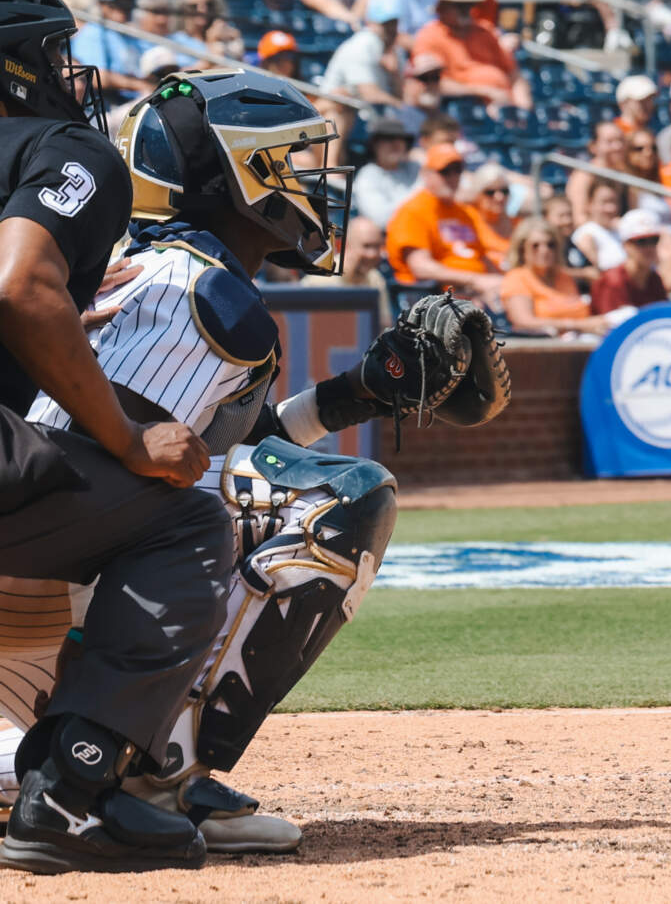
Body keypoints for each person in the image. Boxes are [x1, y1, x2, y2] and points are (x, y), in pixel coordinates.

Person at [2, 70, 507, 859]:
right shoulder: (193, 286)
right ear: (242, 172)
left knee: (246, 491)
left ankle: (82, 755)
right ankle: (142, 773)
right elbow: (103, 455)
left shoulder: (178, 271)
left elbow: (189, 449)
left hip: (33, 574)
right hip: (33, 589)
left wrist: (352, 395)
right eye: (294, 160)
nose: (312, 182)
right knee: (341, 500)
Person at [0, 0, 234, 872]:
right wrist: (131, 439)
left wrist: (55, 302)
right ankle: (67, 792)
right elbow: (20, 284)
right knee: (186, 518)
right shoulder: (69, 148)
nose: (69, 72)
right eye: (54, 54)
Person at [382, 143, 502, 306]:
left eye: (457, 170)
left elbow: (482, 258)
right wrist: (475, 280)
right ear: (426, 174)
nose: (452, 177)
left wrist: (500, 282)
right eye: (445, 171)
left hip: (475, 294)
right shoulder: (413, 211)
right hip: (432, 299)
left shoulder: (466, 212)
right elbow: (421, 267)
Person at [410, 0, 530, 110]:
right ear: (443, 8)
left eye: (468, 5)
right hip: (467, 107)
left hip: (506, 104)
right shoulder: (429, 36)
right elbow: (429, 84)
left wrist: (523, 106)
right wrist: (484, 92)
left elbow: (514, 73)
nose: (465, 10)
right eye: (459, 5)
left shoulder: (485, 31)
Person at [500, 216, 594, 335]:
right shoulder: (516, 278)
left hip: (582, 340)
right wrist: (577, 325)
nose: (544, 250)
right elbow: (524, 322)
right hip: (543, 344)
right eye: (535, 245)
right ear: (522, 249)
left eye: (550, 245)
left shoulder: (564, 277)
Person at [68, 0, 149, 93]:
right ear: (102, 4)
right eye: (118, 1)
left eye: (129, 0)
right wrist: (138, 85)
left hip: (137, 97)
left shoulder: (131, 33)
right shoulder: (93, 32)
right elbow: (96, 77)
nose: (125, 6)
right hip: (111, 100)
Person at [590, 209, 670, 312]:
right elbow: (610, 321)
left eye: (654, 240)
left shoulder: (654, 279)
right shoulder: (613, 281)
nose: (649, 247)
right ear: (626, 246)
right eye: (641, 241)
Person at [348, 115, 421, 227]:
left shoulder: (416, 168)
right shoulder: (368, 175)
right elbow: (381, 219)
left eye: (401, 139)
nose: (396, 144)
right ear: (375, 145)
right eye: (388, 139)